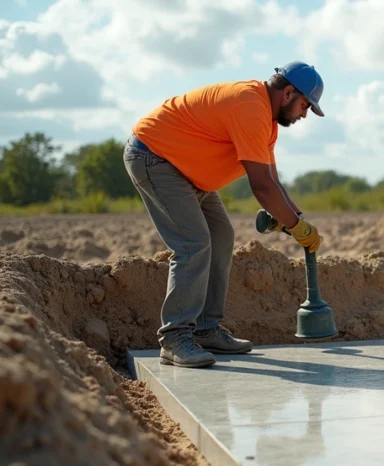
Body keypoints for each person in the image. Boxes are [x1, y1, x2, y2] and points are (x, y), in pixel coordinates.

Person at [123, 61, 325, 369]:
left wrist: (296, 217)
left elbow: (272, 180)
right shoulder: (250, 106)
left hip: (185, 169)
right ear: (287, 93)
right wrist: (295, 226)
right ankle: (175, 338)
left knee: (221, 235)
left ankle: (205, 329)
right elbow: (261, 188)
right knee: (193, 243)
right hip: (156, 157)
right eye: (305, 105)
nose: (304, 114)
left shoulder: (265, 119)